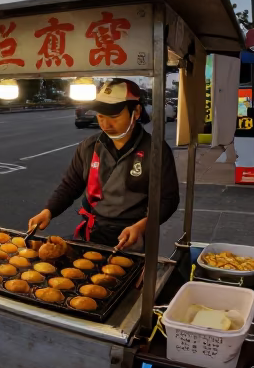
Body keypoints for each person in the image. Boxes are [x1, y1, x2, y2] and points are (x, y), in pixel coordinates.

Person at [28, 79, 179, 250]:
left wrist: (141, 226)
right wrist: (48, 211)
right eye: (100, 116)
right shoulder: (89, 147)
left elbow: (168, 200)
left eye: (114, 117)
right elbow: (70, 185)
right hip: (93, 232)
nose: (105, 124)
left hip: (134, 237)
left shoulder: (155, 150)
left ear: (136, 111)